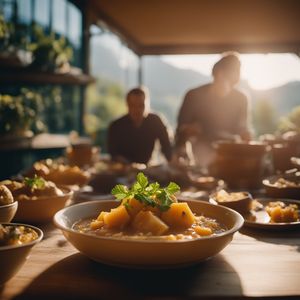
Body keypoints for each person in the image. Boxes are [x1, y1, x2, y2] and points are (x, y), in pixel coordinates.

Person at [175, 52, 252, 167]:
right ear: (217, 73)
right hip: (198, 151)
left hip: (231, 151)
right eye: (222, 77)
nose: (224, 86)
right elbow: (181, 129)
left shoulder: (241, 98)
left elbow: (242, 128)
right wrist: (188, 130)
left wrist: (246, 135)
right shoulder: (194, 95)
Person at [107, 87, 173, 164]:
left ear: (147, 104)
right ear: (127, 105)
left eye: (141, 105)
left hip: (149, 169)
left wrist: (173, 162)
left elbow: (167, 147)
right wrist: (129, 165)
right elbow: (113, 153)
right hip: (124, 170)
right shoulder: (116, 126)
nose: (137, 109)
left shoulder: (155, 121)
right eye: (133, 105)